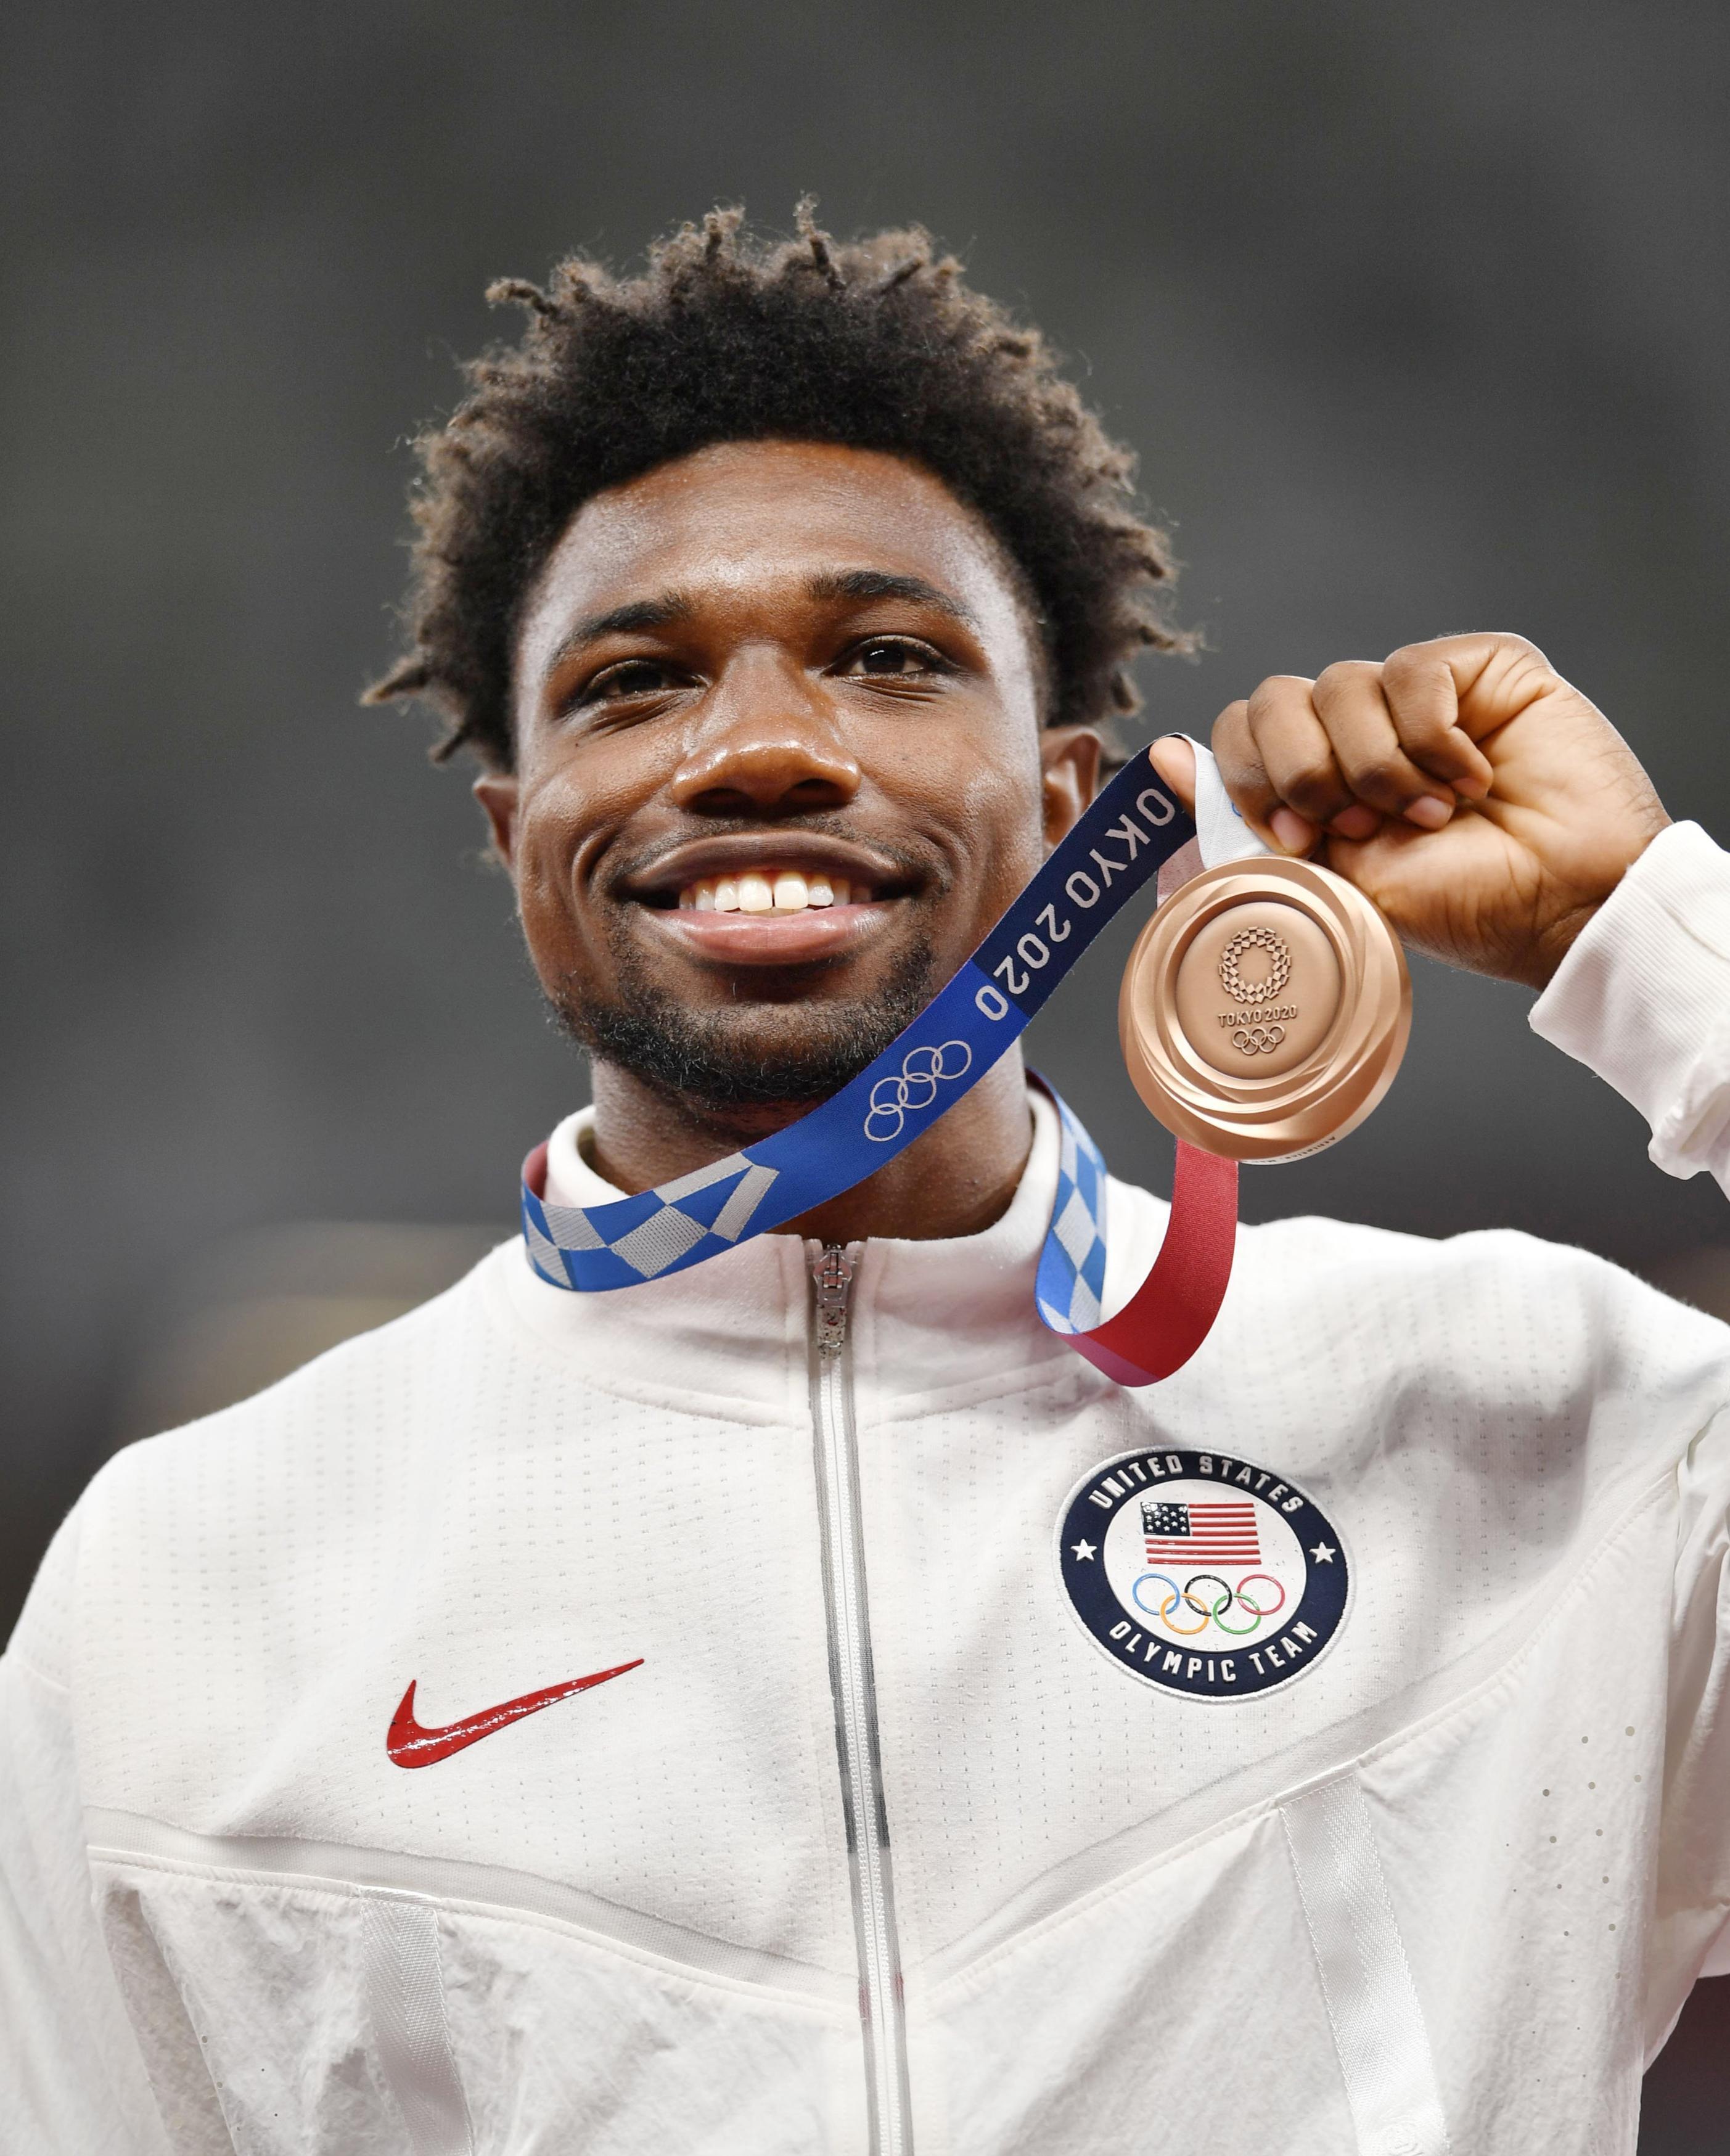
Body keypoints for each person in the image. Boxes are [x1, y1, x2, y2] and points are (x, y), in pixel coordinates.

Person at [3, 207, 1728, 2156]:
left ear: (1075, 801)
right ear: (516, 836)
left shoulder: (1541, 1422)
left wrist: (1651, 935)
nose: (755, 749)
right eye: (632, 683)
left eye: (888, 656)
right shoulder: (190, 1583)